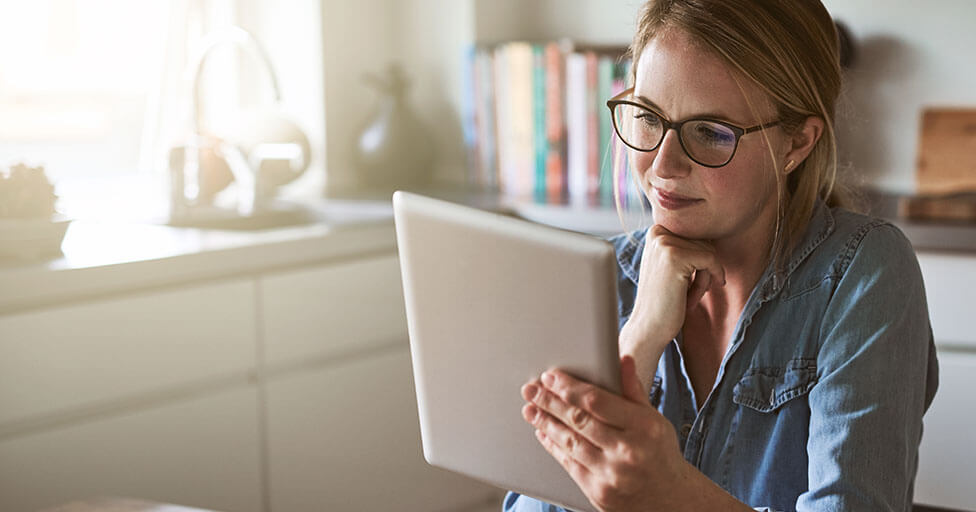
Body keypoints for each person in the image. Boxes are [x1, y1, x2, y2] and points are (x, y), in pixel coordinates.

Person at [505, 0, 939, 510]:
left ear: (796, 142)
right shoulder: (595, 280)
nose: (663, 165)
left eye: (710, 132)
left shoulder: (863, 274)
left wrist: (671, 493)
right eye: (647, 117)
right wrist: (639, 341)